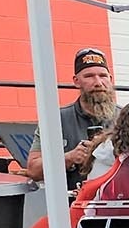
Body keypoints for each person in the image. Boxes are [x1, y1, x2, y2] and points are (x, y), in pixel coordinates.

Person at [26, 47, 119, 190]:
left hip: (118, 201)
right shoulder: (55, 119)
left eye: (103, 76)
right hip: (71, 205)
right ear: (76, 81)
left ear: (110, 79)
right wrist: (69, 157)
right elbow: (33, 170)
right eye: (89, 76)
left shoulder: (127, 118)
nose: (98, 82)